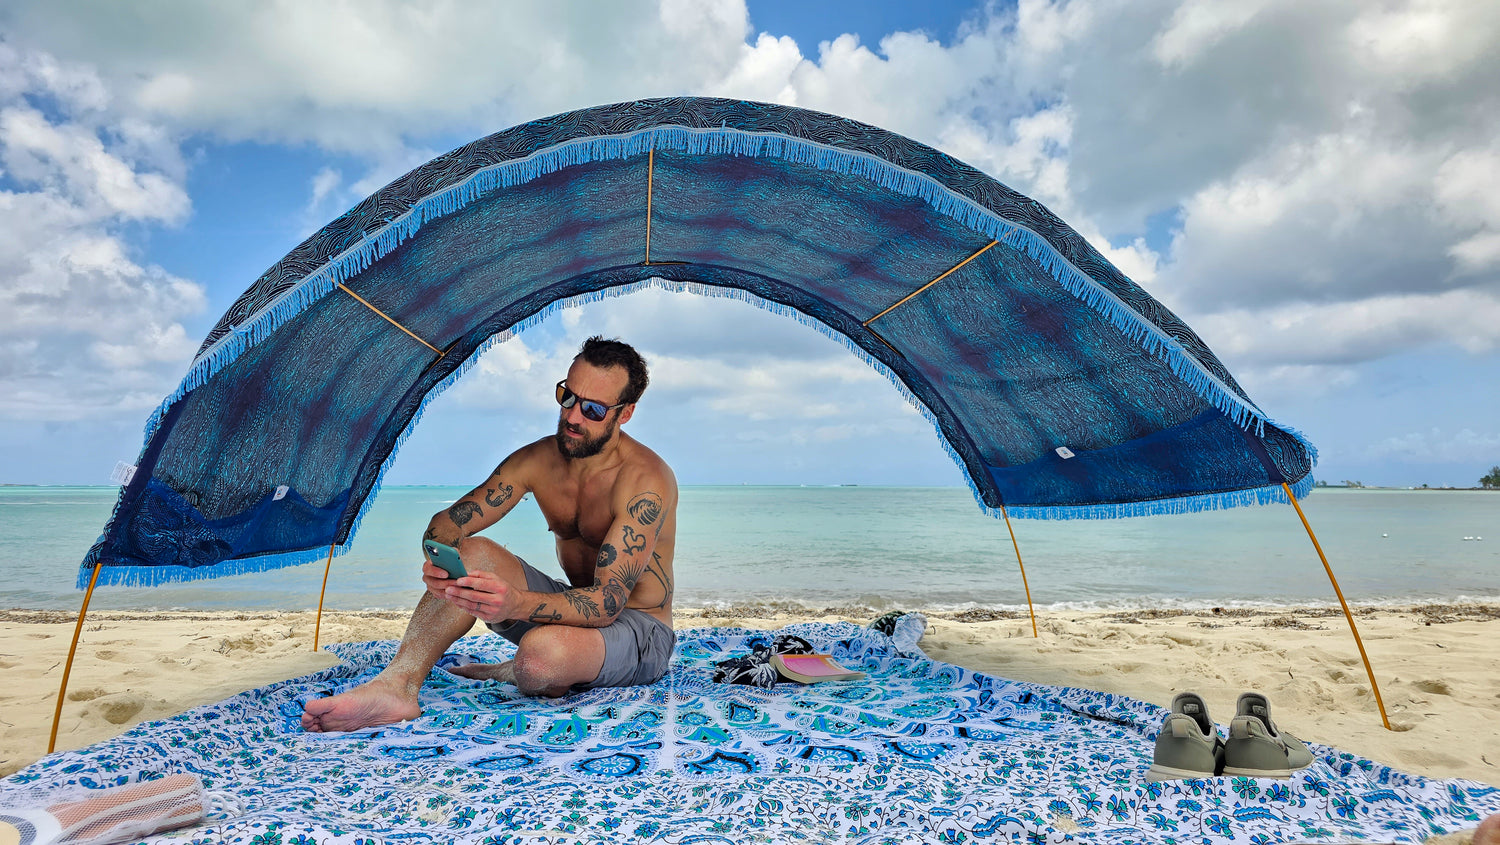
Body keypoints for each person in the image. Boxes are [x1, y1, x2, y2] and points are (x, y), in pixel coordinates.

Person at [301, 336, 677, 732]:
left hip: (639, 630)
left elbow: (606, 604)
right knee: (473, 553)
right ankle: (397, 686)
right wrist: (439, 560)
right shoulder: (539, 460)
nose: (573, 417)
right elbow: (447, 524)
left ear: (626, 413)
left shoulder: (644, 482)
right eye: (567, 396)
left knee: (538, 660)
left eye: (594, 409)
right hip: (573, 611)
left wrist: (514, 604)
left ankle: (513, 670)